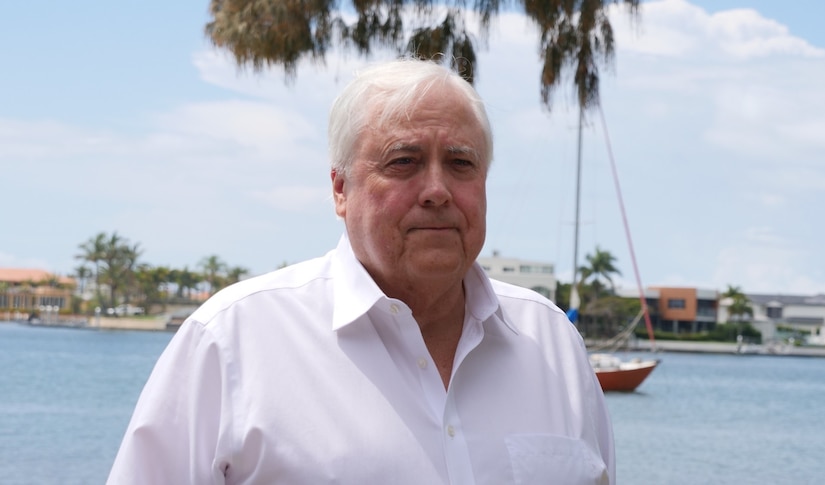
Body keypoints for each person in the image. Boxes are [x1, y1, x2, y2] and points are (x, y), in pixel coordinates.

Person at [108, 58, 614, 484]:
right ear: (339, 190)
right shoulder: (230, 342)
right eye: (404, 161)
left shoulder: (553, 345)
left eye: (460, 163)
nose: (437, 189)